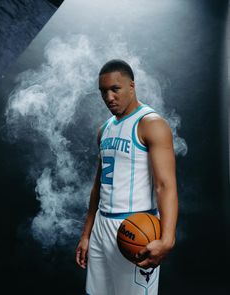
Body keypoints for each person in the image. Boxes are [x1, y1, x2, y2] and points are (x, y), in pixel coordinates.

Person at [76, 59, 178, 295]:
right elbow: (98, 186)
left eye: (115, 89)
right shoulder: (105, 129)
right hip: (101, 226)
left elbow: (165, 185)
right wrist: (86, 234)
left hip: (134, 228)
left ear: (132, 86)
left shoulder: (151, 124)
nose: (109, 97)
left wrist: (168, 239)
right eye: (103, 91)